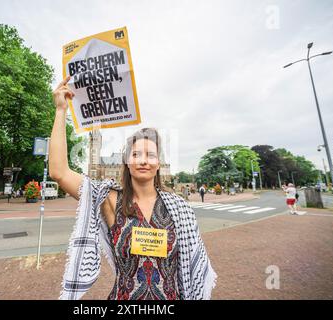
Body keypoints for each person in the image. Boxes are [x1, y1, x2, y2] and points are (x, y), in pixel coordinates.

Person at [50, 76, 216, 300]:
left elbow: (195, 267)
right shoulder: (109, 200)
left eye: (151, 155)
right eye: (136, 154)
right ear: (126, 162)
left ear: (159, 164)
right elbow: (59, 172)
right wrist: (61, 110)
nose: (143, 161)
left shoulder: (180, 208)